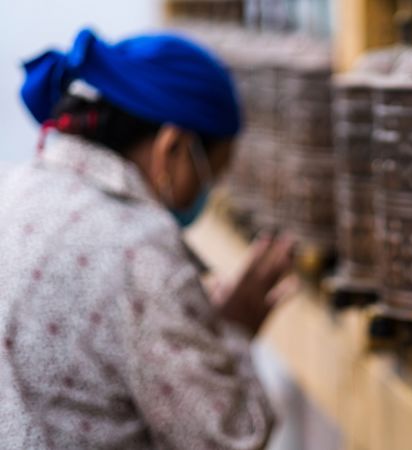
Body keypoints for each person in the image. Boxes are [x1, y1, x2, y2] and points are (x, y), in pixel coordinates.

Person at [0, 28, 294, 449]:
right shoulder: (138, 248)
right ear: (172, 148)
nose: (208, 193)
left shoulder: (11, 190)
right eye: (212, 173)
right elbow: (228, 439)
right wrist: (234, 332)